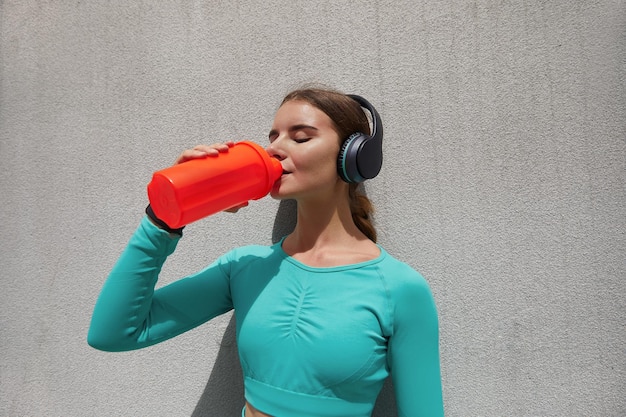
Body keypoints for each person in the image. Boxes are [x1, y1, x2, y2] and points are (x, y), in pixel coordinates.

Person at [88, 87, 444, 417]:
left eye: (300, 136)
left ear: (353, 156)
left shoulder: (399, 289)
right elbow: (113, 333)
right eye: (272, 136)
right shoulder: (243, 268)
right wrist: (165, 216)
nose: (275, 148)